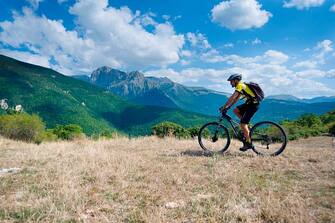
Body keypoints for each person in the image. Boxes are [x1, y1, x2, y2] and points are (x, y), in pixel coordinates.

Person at [219, 73, 260, 151]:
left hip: (253, 105)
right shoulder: (241, 86)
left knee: (242, 125)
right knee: (236, 110)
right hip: (250, 104)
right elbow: (236, 99)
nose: (230, 83)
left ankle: (249, 143)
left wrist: (224, 107)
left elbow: (233, 97)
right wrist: (229, 107)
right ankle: (246, 126)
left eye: (231, 81)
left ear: (235, 80)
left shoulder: (240, 85)